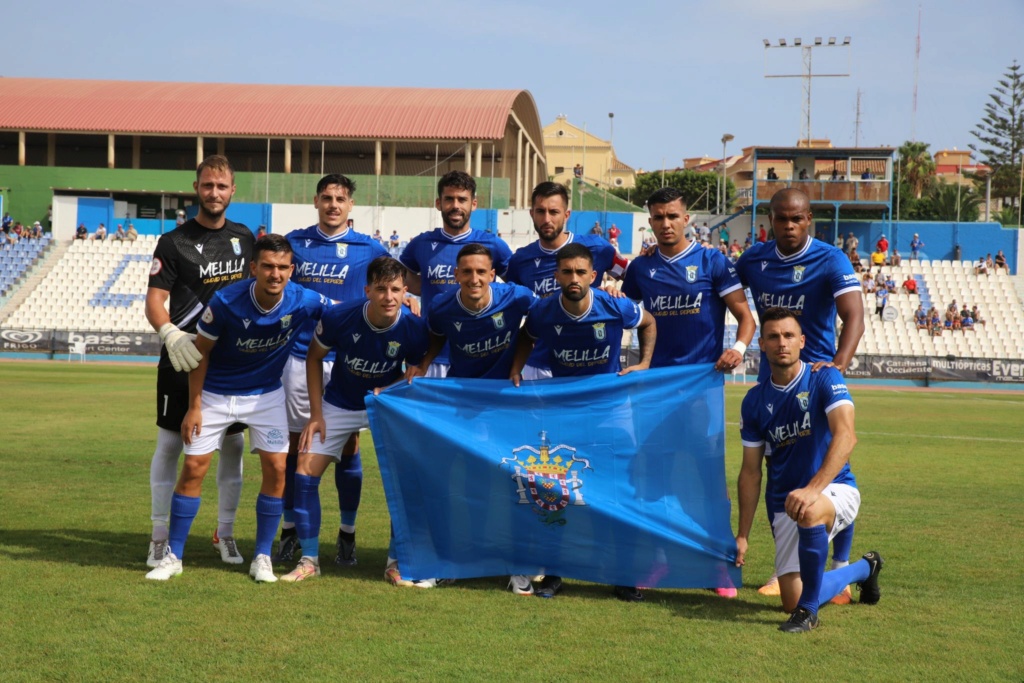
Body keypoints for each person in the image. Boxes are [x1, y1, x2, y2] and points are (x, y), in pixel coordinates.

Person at [145, 234, 329, 582]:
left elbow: (344, 310)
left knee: (276, 469)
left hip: (266, 396)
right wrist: (195, 406)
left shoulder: (304, 299)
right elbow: (202, 354)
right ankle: (174, 556)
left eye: (282, 268)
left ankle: (262, 556)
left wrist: (406, 302)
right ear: (253, 268)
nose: (275, 274)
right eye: (268, 267)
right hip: (215, 394)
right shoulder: (226, 301)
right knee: (195, 467)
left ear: (292, 270)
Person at [621, 187, 755, 599]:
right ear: (650, 221)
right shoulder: (640, 270)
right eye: (658, 217)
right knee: (652, 480)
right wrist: (639, 363)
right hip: (654, 390)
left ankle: (714, 563)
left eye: (673, 216)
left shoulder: (713, 261)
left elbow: (745, 318)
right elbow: (625, 317)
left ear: (687, 218)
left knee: (706, 480)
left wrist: (738, 349)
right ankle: (656, 559)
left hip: (701, 388)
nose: (665, 224)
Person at [734, 188, 864, 601]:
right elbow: (725, 294)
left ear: (809, 220)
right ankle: (791, 567)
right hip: (771, 376)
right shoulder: (754, 260)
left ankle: (840, 567)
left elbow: (854, 315)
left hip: (819, 375)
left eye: (797, 219)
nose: (788, 226)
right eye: (780, 219)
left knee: (832, 460)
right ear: (768, 220)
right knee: (779, 462)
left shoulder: (830, 258)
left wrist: (837, 365)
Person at [510, 242, 656, 601]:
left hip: (611, 410)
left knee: (619, 492)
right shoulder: (544, 311)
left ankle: (624, 576)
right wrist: (515, 368)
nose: (573, 278)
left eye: (580, 272)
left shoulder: (614, 306)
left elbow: (649, 321)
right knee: (559, 492)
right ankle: (558, 573)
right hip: (566, 410)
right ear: (556, 275)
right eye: (566, 272)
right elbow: (526, 337)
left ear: (594, 276)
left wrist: (645, 362)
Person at [735, 307, 884, 632]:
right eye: (773, 337)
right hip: (785, 504)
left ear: (802, 341)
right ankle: (864, 569)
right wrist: (743, 535)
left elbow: (846, 436)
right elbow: (750, 471)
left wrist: (813, 488)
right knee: (790, 597)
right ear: (762, 344)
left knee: (810, 510)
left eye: (789, 335)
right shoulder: (753, 401)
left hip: (834, 490)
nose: (781, 343)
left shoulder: (824, 377)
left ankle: (808, 614)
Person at [282, 256, 427, 583]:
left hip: (385, 405)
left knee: (406, 480)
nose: (388, 297)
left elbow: (416, 371)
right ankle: (309, 560)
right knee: (305, 472)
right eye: (380, 289)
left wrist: (390, 388)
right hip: (340, 403)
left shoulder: (414, 328)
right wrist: (316, 414)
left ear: (406, 292)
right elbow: (314, 357)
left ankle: (395, 563)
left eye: (395, 290)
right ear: (367, 290)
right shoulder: (339, 316)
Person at [144, 155, 255, 570]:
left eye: (221, 186)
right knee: (171, 444)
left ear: (232, 191)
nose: (214, 193)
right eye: (207, 185)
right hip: (183, 356)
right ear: (196, 187)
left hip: (232, 362)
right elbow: (155, 300)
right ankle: (159, 537)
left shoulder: (245, 238)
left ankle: (224, 533)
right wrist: (170, 334)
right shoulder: (172, 242)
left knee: (233, 445)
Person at [408, 243, 537, 592]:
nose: (475, 278)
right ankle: (448, 562)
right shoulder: (442, 306)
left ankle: (519, 565)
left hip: (504, 403)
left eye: (482, 271)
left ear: (493, 274)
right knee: (452, 483)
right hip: (461, 404)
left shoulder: (517, 297)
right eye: (467, 272)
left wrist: (516, 365)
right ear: (456, 275)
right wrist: (422, 364)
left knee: (513, 482)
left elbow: (540, 323)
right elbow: (435, 335)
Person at [275, 174, 389, 567]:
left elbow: (391, 287)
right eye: (327, 198)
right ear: (316, 201)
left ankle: (347, 533)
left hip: (348, 361)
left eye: (340, 198)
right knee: (296, 446)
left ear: (351, 205)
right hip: (301, 357)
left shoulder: (370, 247)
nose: (333, 205)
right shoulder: (296, 243)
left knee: (349, 446)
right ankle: (289, 529)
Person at [504, 181, 626, 380]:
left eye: (554, 212)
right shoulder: (520, 260)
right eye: (540, 211)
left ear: (566, 215)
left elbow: (632, 275)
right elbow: (516, 312)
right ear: (531, 213)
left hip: (587, 364)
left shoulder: (597, 248)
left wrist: (613, 290)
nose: (546, 219)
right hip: (538, 366)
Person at [399, 171, 512, 377]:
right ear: (438, 203)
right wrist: (404, 297)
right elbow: (399, 279)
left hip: (480, 356)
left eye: (462, 199)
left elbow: (515, 288)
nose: (455, 205)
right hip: (431, 355)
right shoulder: (421, 243)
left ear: (474, 204)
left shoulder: (493, 245)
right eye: (449, 199)